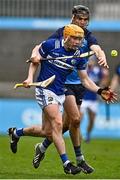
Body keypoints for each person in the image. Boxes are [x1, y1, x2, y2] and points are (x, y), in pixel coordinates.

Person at [9, 5, 110, 174]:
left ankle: (18, 133)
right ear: (68, 31)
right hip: (49, 87)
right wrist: (30, 77)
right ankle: (68, 163)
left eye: (80, 39)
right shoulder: (55, 40)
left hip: (62, 89)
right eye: (75, 38)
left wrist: (100, 89)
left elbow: (87, 73)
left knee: (49, 131)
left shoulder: (79, 55)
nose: (79, 41)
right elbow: (38, 51)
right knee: (59, 122)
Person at [80, 58, 110, 142]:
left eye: (92, 61)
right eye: (89, 61)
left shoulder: (98, 71)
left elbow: (104, 82)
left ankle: (88, 134)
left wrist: (106, 76)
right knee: (79, 118)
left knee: (92, 120)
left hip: (93, 99)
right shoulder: (83, 70)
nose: (90, 62)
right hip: (83, 98)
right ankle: (79, 135)